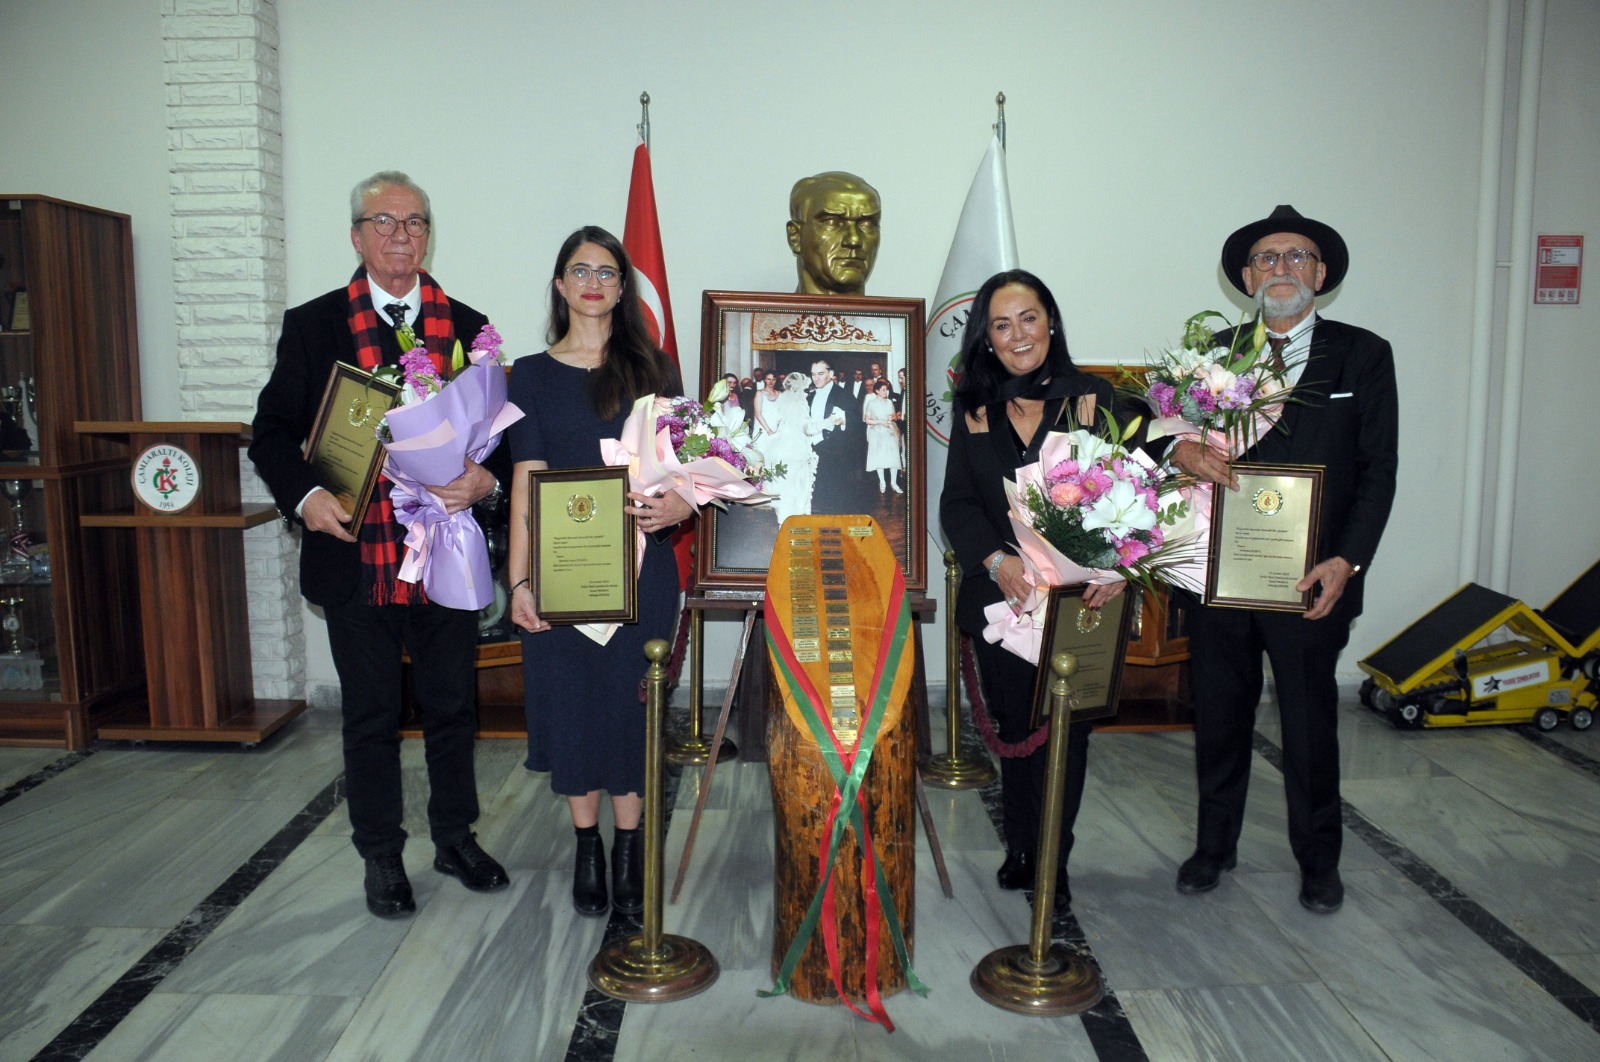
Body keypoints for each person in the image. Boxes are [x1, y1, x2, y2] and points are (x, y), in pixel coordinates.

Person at [250, 170, 509, 919]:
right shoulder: (314, 326)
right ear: (357, 236)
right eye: (384, 222)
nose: (402, 235)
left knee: (453, 709)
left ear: (429, 234)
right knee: (370, 717)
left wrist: (484, 480)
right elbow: (270, 433)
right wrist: (307, 496)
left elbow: (501, 434)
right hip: (357, 555)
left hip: (444, 552)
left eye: (415, 222)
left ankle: (455, 838)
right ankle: (381, 855)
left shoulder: (469, 326)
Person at [1170, 205, 1398, 915]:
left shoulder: (1363, 355)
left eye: (1296, 256)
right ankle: (1214, 847)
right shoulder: (1211, 354)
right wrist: (1179, 450)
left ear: (1320, 274)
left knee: (1308, 725)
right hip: (1221, 574)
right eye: (1267, 258)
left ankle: (1319, 861)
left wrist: (1347, 562)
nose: (1281, 268)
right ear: (1246, 277)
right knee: (1219, 718)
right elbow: (1162, 435)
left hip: (1311, 580)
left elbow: (1379, 469)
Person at [506, 225, 694, 918]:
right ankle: (587, 844)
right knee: (572, 707)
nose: (593, 283)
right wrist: (519, 583)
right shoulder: (529, 374)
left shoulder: (655, 370)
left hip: (642, 571)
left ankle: (630, 846)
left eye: (607, 272)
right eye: (580, 271)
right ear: (560, 284)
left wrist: (680, 504)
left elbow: (688, 466)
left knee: (629, 709)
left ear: (622, 287)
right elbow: (527, 485)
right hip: (561, 573)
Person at [939, 269, 1126, 909]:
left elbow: (1135, 497)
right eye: (1002, 324)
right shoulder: (975, 409)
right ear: (986, 338)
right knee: (1016, 732)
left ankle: (1053, 861)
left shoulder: (1093, 400)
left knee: (1065, 736)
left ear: (1051, 322)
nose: (1018, 334)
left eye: (1028, 318)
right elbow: (958, 504)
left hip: (1078, 605)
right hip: (1004, 602)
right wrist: (996, 561)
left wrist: (1113, 570)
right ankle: (1021, 846)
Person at [787, 171, 882, 296]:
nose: (854, 240)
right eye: (832, 222)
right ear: (795, 236)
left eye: (867, 225)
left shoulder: (905, 309)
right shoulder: (763, 311)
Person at [761, 371, 821, 525]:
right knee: (800, 486)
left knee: (785, 485)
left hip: (783, 446)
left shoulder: (783, 399)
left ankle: (784, 521)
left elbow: (780, 421)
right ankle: (799, 520)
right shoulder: (800, 403)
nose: (805, 392)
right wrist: (829, 421)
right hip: (797, 447)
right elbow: (808, 428)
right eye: (804, 388)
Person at [804, 358, 852, 497]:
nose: (816, 378)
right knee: (816, 491)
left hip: (835, 449)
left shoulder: (844, 395)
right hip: (813, 448)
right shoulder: (810, 396)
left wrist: (844, 422)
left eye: (820, 374)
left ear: (830, 374)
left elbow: (855, 419)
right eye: (813, 374)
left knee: (834, 492)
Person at [862, 379, 902, 494]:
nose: (886, 392)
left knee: (893, 457)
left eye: (886, 390)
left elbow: (893, 416)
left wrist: (893, 418)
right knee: (880, 458)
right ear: (877, 391)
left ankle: (894, 483)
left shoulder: (889, 402)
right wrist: (880, 422)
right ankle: (882, 482)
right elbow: (867, 420)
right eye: (883, 390)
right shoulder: (871, 404)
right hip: (878, 432)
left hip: (890, 431)